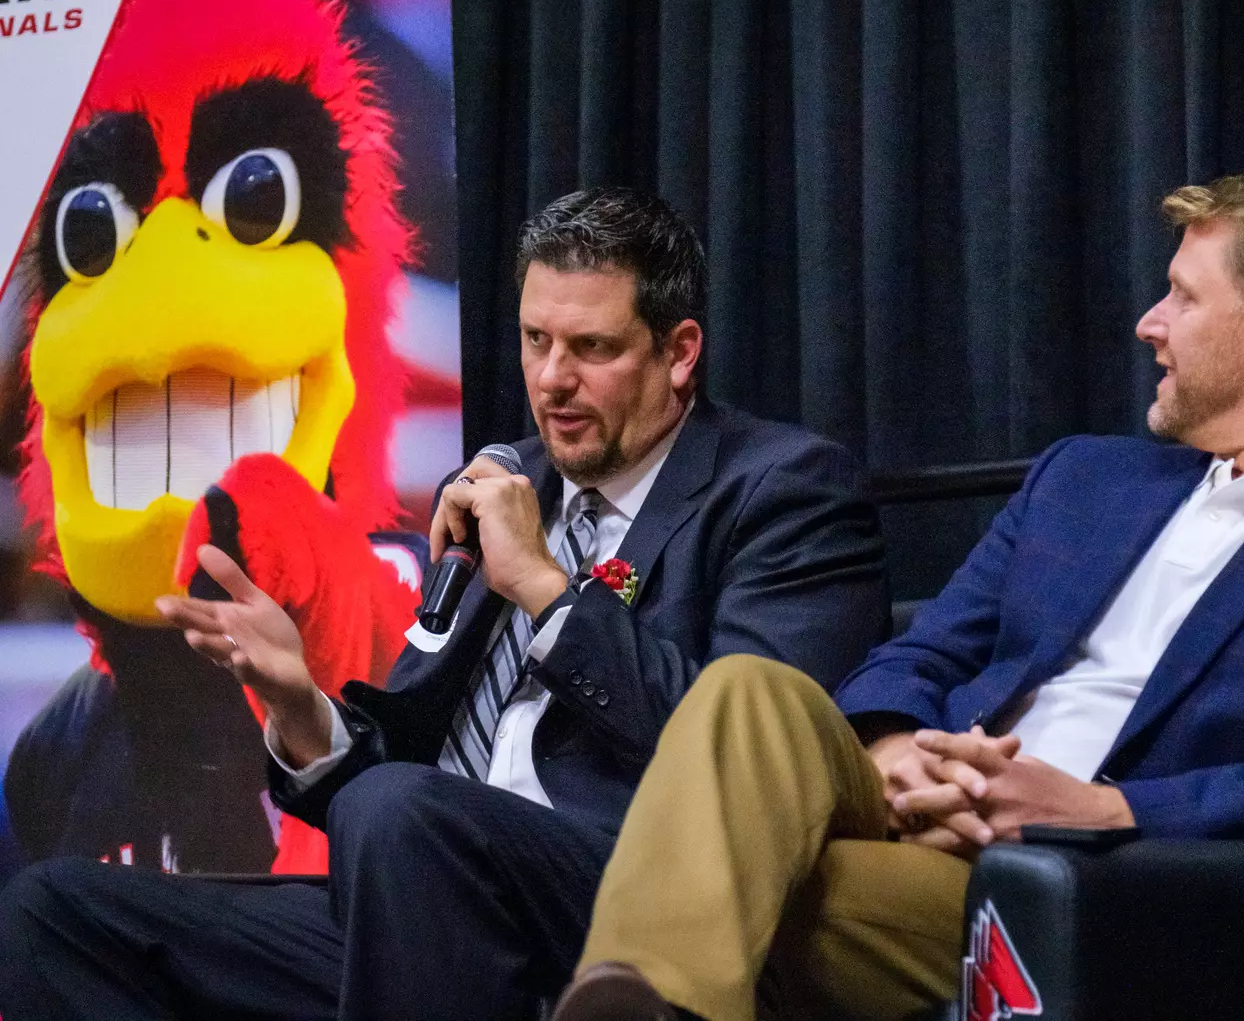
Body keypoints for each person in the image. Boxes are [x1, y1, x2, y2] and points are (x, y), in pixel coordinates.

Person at [548, 174, 1244, 1021]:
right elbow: (922, 657)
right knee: (750, 691)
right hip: (934, 816)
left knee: (740, 899)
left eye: (1182, 296)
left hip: (1124, 882)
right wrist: (901, 756)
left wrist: (1101, 807)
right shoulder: (1086, 479)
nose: (1148, 323)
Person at [0, 188, 889, 1020]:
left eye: (593, 349)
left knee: (401, 812)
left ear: (680, 351)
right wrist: (297, 699)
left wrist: (548, 591)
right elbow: (398, 764)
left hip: (630, 896)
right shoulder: (504, 483)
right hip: (419, 894)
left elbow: (761, 751)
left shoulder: (783, 490)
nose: (551, 380)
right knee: (56, 911)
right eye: (536, 341)